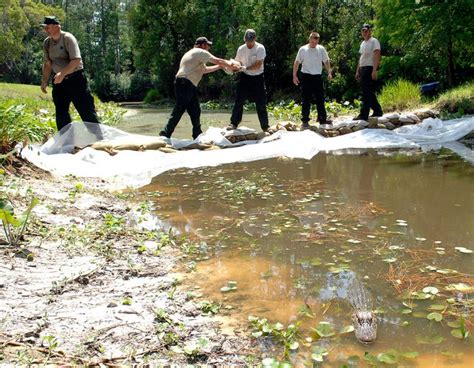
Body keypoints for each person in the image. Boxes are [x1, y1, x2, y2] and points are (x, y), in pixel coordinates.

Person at [160, 37, 237, 140]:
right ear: (202, 45)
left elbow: (204, 70)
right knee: (180, 108)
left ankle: (197, 134)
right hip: (185, 83)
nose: (208, 48)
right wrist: (231, 64)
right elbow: (217, 60)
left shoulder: (193, 54)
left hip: (186, 84)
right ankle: (165, 133)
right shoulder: (199, 51)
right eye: (207, 45)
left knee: (195, 110)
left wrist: (220, 67)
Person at [40, 16, 100, 131]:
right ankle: (67, 143)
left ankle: (100, 140)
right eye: (44, 28)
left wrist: (62, 74)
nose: (45, 30)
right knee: (61, 113)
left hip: (76, 80)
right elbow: (48, 64)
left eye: (47, 27)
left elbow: (76, 60)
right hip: (59, 82)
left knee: (86, 112)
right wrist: (44, 81)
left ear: (57, 26)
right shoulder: (47, 43)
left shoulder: (68, 38)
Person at [227, 29, 269, 132]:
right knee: (239, 100)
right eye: (247, 41)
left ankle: (265, 127)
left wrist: (246, 68)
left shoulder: (260, 48)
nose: (249, 43)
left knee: (261, 102)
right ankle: (234, 123)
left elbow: (259, 64)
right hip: (245, 77)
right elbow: (237, 61)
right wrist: (234, 66)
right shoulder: (241, 49)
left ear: (255, 39)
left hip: (258, 77)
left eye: (251, 41)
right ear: (244, 39)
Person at [293, 31, 333, 129]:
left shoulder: (321, 49)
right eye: (312, 41)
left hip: (317, 76)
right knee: (306, 99)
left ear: (318, 40)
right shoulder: (303, 49)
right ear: (309, 39)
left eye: (316, 41)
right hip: (306, 76)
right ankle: (305, 120)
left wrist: (329, 72)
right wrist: (294, 75)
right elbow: (297, 62)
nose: (314, 43)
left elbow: (326, 61)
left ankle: (322, 119)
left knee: (320, 98)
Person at [354, 23, 383, 121]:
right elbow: (361, 58)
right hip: (362, 68)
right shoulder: (363, 43)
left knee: (366, 92)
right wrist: (357, 71)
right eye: (363, 31)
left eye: (366, 30)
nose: (364, 32)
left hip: (370, 67)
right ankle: (378, 111)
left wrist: (374, 70)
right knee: (368, 91)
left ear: (370, 31)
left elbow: (377, 56)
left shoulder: (374, 41)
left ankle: (363, 114)